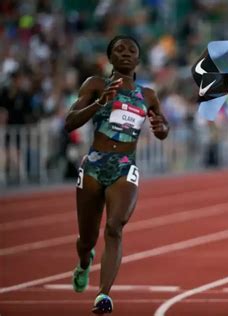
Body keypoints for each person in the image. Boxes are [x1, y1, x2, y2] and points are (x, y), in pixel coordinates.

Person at [65, 35, 169, 314]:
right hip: (94, 166)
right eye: (118, 50)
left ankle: (102, 295)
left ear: (138, 59)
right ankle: (84, 262)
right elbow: (69, 122)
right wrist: (99, 103)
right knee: (86, 238)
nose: (125, 53)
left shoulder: (148, 95)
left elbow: (163, 128)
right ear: (110, 58)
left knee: (114, 227)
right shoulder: (96, 85)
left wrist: (161, 129)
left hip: (125, 167)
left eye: (131, 50)